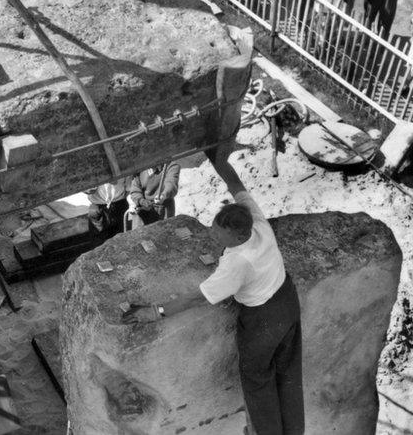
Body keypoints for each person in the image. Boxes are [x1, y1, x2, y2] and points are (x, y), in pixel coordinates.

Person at [123, 145, 304, 435]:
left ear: (238, 235)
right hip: (287, 300)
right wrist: (214, 154)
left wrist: (154, 312)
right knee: (289, 371)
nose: (212, 234)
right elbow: (235, 183)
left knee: (257, 379)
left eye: (219, 233)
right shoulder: (256, 220)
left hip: (263, 320)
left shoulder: (237, 262)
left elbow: (198, 297)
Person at [127, 161, 179, 228]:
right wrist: (142, 201)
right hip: (144, 209)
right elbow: (135, 191)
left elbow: (171, 185)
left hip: (163, 210)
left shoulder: (171, 165)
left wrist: (163, 196)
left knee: (165, 235)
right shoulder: (139, 168)